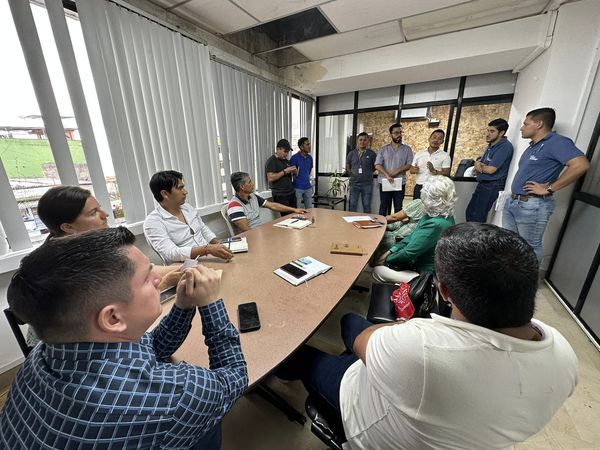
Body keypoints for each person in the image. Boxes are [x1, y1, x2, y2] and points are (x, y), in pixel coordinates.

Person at [293, 223, 578, 450]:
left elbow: (362, 342)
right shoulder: (565, 354)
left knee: (310, 348)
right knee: (350, 322)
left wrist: (403, 328)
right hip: (441, 420)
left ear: (445, 291)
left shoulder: (424, 347)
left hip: (365, 412)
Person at [0, 227, 248, 449]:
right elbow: (234, 378)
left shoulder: (42, 354)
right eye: (147, 278)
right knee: (207, 422)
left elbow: (150, 348)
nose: (158, 280)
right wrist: (211, 304)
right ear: (112, 318)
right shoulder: (175, 397)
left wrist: (183, 305)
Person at [28, 185, 182, 348]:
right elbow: (115, 308)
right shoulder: (68, 266)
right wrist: (164, 282)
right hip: (75, 348)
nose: (105, 214)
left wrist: (184, 268)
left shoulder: (90, 246)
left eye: (100, 208)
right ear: (68, 227)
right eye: (93, 212)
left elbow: (140, 270)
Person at [503, 108, 590, 262]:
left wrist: (549, 188)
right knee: (509, 244)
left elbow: (581, 165)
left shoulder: (557, 142)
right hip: (513, 202)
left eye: (526, 124)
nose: (522, 128)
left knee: (529, 248)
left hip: (532, 205)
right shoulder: (533, 146)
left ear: (539, 124)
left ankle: (529, 278)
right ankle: (512, 276)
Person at [372, 176, 456, 283]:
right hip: (419, 264)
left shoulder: (435, 224)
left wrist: (386, 259)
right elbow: (411, 237)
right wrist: (390, 251)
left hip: (426, 274)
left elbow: (409, 253)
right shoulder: (443, 215)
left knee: (377, 271)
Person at [144, 170, 234, 264]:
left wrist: (219, 245)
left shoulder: (187, 208)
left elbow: (203, 229)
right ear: (165, 194)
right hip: (187, 266)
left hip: (209, 257)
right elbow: (171, 253)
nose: (185, 192)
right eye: (180, 188)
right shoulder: (153, 222)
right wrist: (207, 249)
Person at [465, 118, 514, 222]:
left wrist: (478, 166)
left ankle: (477, 234)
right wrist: (478, 166)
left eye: (492, 131)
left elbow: (491, 169)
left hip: (492, 185)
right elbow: (482, 165)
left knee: (477, 217)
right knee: (470, 212)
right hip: (483, 183)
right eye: (487, 130)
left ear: (501, 133)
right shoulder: (491, 145)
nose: (487, 134)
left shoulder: (504, 147)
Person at [227, 172, 307, 233]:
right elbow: (246, 230)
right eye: (250, 182)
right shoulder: (234, 206)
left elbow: (272, 205)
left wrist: (294, 210)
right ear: (242, 186)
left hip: (259, 232)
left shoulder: (253, 196)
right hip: (249, 238)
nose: (253, 184)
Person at [369, 199, 425, 266]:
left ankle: (373, 263)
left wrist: (378, 221)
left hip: (398, 239)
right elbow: (398, 222)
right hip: (399, 236)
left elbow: (394, 217)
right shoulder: (427, 213)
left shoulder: (419, 204)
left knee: (375, 237)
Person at [374, 123, 414, 215]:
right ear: (390, 134)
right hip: (385, 181)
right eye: (396, 133)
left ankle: (397, 224)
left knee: (398, 207)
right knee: (384, 206)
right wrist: (387, 175)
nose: (399, 135)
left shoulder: (407, 149)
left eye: (400, 132)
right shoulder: (383, 149)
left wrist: (397, 170)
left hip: (399, 182)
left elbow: (409, 164)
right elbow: (377, 164)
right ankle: (383, 223)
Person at [409, 129, 450, 199]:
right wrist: (414, 170)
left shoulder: (445, 156)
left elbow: (447, 173)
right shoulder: (419, 153)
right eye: (434, 137)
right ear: (429, 139)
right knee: (417, 206)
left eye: (439, 138)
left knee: (432, 206)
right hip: (419, 188)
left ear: (442, 141)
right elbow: (411, 170)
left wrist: (434, 171)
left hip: (435, 188)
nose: (436, 140)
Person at [346, 132, 377, 213]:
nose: (362, 142)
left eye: (365, 140)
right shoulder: (351, 153)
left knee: (366, 205)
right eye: (361, 140)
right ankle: (351, 220)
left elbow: (375, 167)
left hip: (367, 184)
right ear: (357, 140)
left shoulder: (372, 154)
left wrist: (368, 172)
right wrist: (352, 173)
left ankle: (367, 220)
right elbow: (348, 165)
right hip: (354, 183)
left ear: (368, 141)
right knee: (352, 204)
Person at [265, 138, 298, 212]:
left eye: (288, 152)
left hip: (291, 192)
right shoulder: (272, 161)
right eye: (285, 151)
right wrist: (285, 171)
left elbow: (295, 175)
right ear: (278, 149)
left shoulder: (286, 161)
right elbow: (270, 178)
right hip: (281, 194)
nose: (286, 154)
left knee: (295, 214)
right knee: (286, 217)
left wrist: (295, 171)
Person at [289, 137, 314, 209]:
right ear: (301, 147)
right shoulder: (294, 158)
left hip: (308, 187)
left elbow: (308, 171)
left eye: (309, 144)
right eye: (307, 144)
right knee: (297, 209)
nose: (309, 146)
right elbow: (290, 173)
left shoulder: (310, 158)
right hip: (297, 188)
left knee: (310, 209)